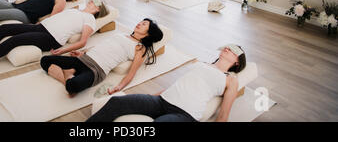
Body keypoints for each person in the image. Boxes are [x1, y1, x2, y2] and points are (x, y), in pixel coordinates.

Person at [86, 44, 246, 122]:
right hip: (161, 101)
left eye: (233, 50)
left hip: (185, 114)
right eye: (227, 47)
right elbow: (182, 84)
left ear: (237, 62)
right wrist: (150, 97)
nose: (228, 48)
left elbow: (224, 114)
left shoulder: (231, 80)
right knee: (116, 102)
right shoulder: (200, 63)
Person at [0, 0, 109, 70]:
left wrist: (64, 50)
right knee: (6, 29)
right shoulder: (78, 10)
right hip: (42, 27)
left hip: (51, 38)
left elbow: (82, 42)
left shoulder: (90, 19)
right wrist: (40, 23)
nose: (92, 1)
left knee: (16, 40)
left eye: (96, 3)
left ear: (97, 10)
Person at [40, 18, 164, 98]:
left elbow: (131, 73)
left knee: (72, 86)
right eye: (141, 21)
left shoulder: (140, 48)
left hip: (96, 70)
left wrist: (119, 87)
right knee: (45, 60)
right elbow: (101, 46)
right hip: (83, 59)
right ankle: (69, 74)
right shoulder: (122, 34)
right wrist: (82, 52)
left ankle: (69, 74)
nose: (139, 23)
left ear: (148, 33)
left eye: (144, 24)